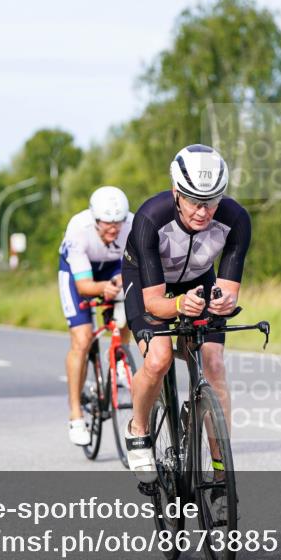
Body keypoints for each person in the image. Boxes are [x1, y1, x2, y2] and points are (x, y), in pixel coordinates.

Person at [120, 144, 251, 482]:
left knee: (214, 361)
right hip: (149, 283)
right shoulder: (151, 217)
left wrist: (223, 301)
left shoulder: (236, 220)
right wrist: (178, 306)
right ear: (176, 192)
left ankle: (222, 474)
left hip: (198, 279)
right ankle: (138, 428)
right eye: (194, 200)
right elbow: (155, 303)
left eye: (212, 201)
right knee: (159, 358)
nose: (203, 212)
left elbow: (229, 287)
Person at [58, 186, 134, 446]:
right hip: (78, 273)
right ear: (94, 219)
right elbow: (84, 287)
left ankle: (121, 356)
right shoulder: (78, 229)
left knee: (131, 307)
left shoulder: (133, 225)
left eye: (118, 222)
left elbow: (137, 268)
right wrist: (105, 289)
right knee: (82, 339)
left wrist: (123, 282)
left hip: (113, 267)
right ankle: (76, 414)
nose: (113, 228)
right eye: (106, 223)